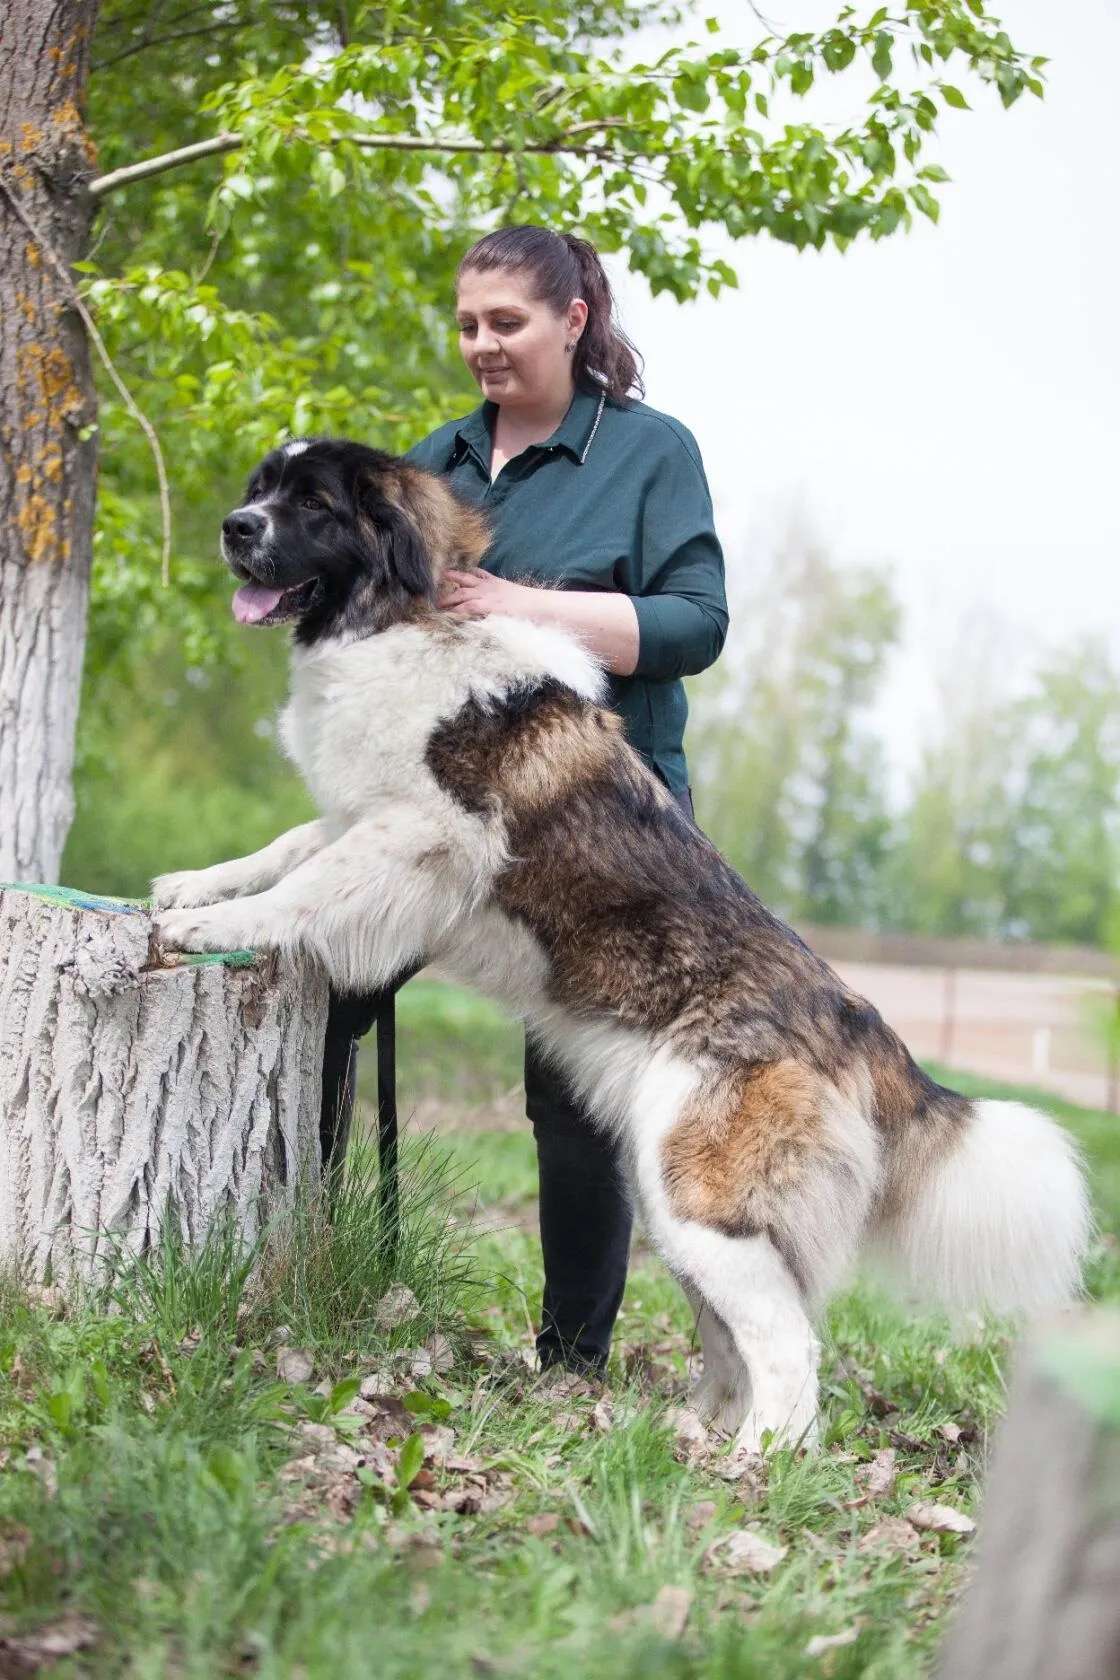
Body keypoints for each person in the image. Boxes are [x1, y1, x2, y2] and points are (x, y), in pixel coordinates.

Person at [320, 224, 728, 1374]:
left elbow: (696, 626)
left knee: (573, 1095)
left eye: (507, 322)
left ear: (572, 321)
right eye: (467, 324)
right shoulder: (432, 462)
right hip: (441, 812)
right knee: (322, 992)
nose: (483, 344)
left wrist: (521, 604)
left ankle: (571, 1363)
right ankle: (306, 1271)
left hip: (598, 826)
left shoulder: (649, 453)